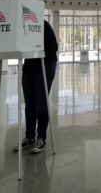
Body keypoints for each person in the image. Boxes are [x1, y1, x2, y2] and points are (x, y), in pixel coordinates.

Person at [13, 19, 59, 154]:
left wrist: (39, 52)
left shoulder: (42, 24)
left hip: (45, 63)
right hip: (30, 64)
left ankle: (41, 137)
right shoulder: (22, 26)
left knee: (41, 100)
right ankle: (30, 137)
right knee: (29, 102)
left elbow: (53, 47)